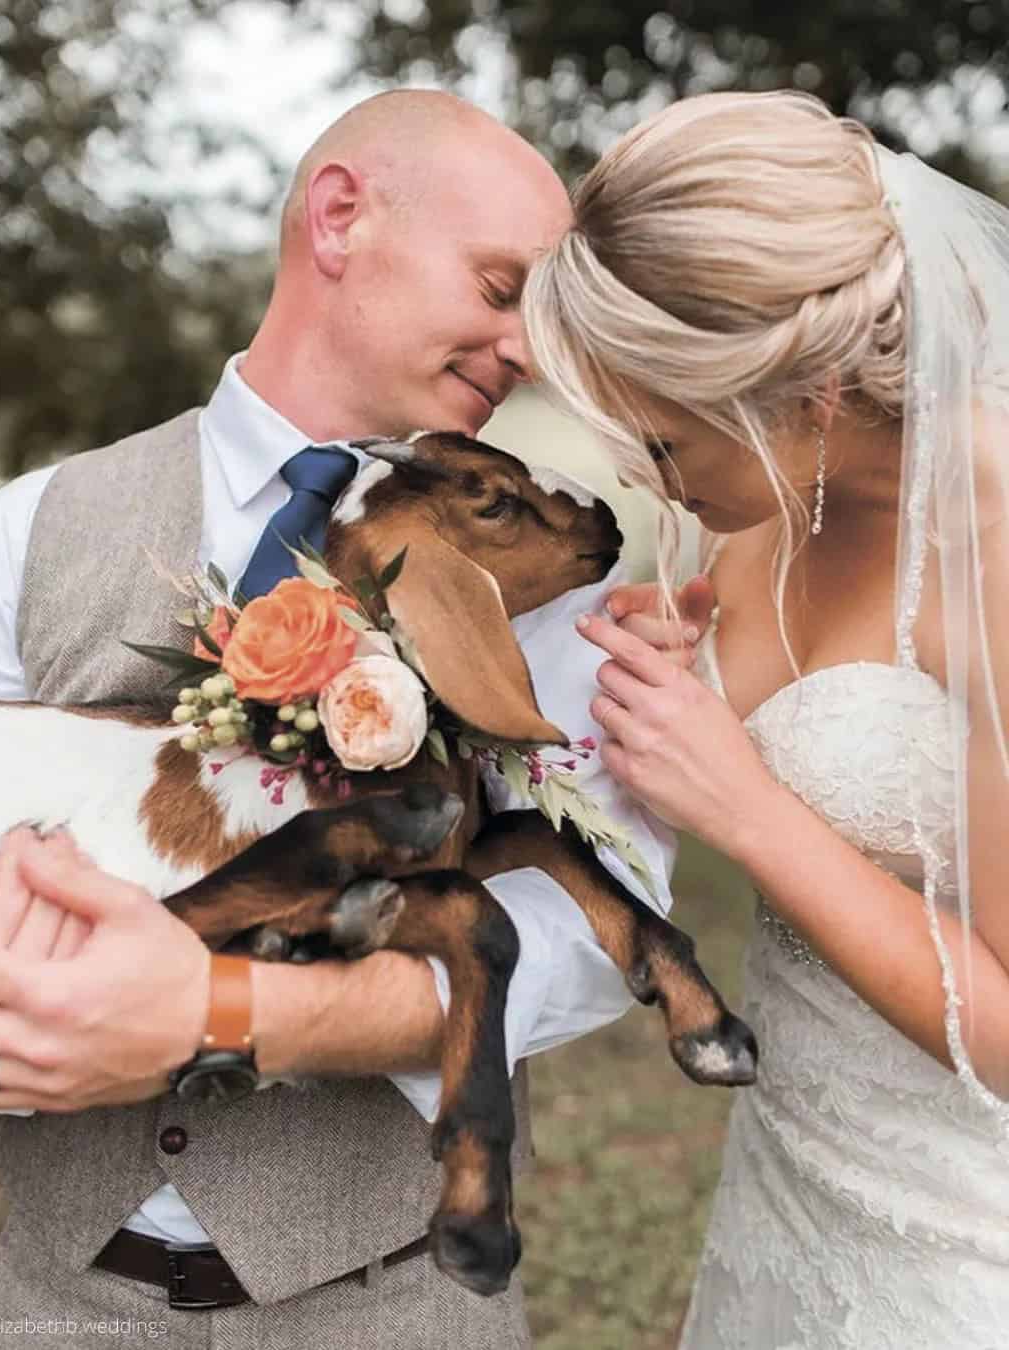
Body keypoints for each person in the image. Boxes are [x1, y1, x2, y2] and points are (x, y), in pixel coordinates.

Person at [0, 90, 687, 1349]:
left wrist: (238, 1015)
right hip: (54, 1307)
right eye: (502, 289)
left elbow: (596, 920)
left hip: (399, 1305)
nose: (527, 350)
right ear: (341, 218)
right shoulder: (21, 533)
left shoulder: (549, 574)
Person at [521, 89, 1009, 1349]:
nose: (644, 478)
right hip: (786, 1192)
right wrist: (679, 670)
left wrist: (743, 804)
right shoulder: (771, 516)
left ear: (814, 393)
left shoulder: (1000, 547)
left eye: (668, 446)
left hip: (962, 1245)